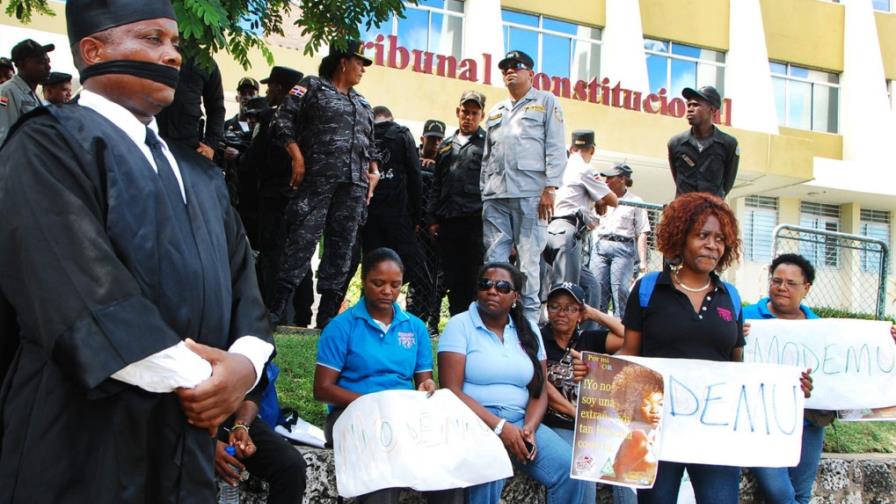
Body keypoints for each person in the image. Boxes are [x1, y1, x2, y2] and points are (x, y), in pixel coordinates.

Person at [0, 0, 275, 501]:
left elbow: (245, 291)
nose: (173, 55)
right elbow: (76, 293)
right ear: (93, 50)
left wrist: (245, 366)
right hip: (84, 440)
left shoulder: (201, 176)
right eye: (152, 39)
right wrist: (211, 382)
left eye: (175, 43)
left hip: (187, 444)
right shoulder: (48, 146)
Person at [616, 193, 811, 503]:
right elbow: (630, 353)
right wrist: (596, 371)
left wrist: (788, 387)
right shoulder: (648, 289)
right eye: (702, 235)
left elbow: (738, 367)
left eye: (720, 239)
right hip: (658, 430)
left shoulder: (730, 297)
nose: (712, 245)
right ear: (681, 237)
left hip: (717, 432)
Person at [742, 253, 896, 504]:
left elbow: (851, 363)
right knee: (779, 492)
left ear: (807, 288)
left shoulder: (821, 328)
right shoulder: (747, 317)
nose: (782, 287)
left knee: (801, 494)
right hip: (760, 423)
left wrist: (887, 342)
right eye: (776, 281)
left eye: (791, 283)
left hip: (808, 423)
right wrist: (735, 337)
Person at [314, 248, 463, 504]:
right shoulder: (341, 327)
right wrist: (372, 403)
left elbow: (423, 381)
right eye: (378, 283)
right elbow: (322, 389)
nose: (387, 291)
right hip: (351, 414)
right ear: (364, 281)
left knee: (448, 471)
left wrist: (427, 386)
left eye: (395, 285)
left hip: (404, 417)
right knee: (383, 469)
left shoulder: (415, 327)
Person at [438, 262, 585, 504]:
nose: (492, 291)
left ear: (515, 296)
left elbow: (539, 389)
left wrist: (529, 428)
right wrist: (500, 427)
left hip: (519, 421)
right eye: (486, 284)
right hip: (474, 420)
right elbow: (450, 390)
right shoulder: (460, 325)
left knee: (570, 469)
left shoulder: (529, 330)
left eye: (502, 287)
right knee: (490, 466)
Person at [268, 40, 380, 329]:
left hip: (353, 187)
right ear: (343, 61)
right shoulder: (313, 87)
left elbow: (371, 146)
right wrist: (296, 157)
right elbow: (281, 121)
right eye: (359, 62)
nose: (363, 69)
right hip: (317, 181)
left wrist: (374, 172)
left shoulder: (363, 103)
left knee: (342, 249)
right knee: (301, 242)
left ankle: (327, 317)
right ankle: (276, 310)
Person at [481, 50, 566, 324]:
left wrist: (550, 188)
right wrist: (485, 191)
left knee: (528, 265)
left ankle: (528, 327)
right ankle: (494, 321)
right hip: (496, 196)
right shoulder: (496, 111)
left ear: (531, 73)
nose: (509, 70)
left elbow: (556, 147)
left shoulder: (546, 102)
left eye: (515, 66)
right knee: (494, 262)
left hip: (531, 195)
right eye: (504, 67)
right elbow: (487, 156)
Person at [540, 282, 624, 504]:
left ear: (580, 314)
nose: (562, 313)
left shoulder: (589, 339)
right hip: (558, 423)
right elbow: (541, 385)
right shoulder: (538, 339)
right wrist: (576, 414)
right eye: (555, 306)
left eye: (570, 308)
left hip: (594, 423)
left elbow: (626, 336)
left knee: (625, 469)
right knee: (584, 466)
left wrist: (594, 314)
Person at [247, 66, 308, 318]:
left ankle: (276, 314)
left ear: (280, 88)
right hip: (302, 202)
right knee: (300, 258)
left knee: (273, 259)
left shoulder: (271, 119)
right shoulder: (311, 122)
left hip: (274, 200)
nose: (267, 91)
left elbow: (253, 161)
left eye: (270, 86)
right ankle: (301, 316)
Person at [427, 91, 487, 316]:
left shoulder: (488, 145)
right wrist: (432, 218)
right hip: (448, 222)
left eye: (474, 113)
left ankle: (473, 322)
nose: (468, 117)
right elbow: (437, 184)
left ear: (481, 116)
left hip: (475, 222)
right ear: (457, 112)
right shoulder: (445, 146)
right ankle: (456, 321)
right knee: (450, 278)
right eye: (465, 112)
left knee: (473, 277)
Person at [364, 106, 427, 317]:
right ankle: (400, 311)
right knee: (410, 264)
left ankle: (370, 310)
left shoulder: (364, 132)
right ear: (390, 118)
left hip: (369, 215)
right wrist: (416, 217)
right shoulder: (402, 135)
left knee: (372, 264)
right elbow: (415, 177)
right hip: (397, 215)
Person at [544, 129, 617, 290]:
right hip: (567, 231)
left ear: (571, 148)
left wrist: (597, 198)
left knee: (591, 286)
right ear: (592, 150)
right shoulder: (585, 168)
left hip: (549, 230)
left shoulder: (560, 166)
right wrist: (600, 199)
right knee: (565, 289)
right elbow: (613, 200)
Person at [215, 389, 307, 504]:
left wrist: (241, 426)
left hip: (232, 416)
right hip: (193, 428)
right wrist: (207, 446)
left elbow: (251, 394)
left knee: (291, 465)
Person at [592, 163, 650, 319]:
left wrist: (643, 262)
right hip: (601, 246)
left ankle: (620, 327)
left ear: (622, 179)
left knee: (620, 292)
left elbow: (642, 232)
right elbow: (593, 223)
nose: (606, 181)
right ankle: (598, 327)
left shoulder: (636, 201)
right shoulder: (602, 198)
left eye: (610, 178)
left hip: (623, 248)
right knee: (598, 289)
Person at [667, 86, 739, 198]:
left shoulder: (729, 144)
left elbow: (727, 184)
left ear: (712, 110)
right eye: (689, 105)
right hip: (684, 207)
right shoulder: (675, 143)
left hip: (712, 207)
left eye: (696, 105)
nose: (690, 109)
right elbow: (677, 179)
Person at [415, 118, 448, 333]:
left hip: (437, 232)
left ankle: (432, 323)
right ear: (423, 139)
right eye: (432, 139)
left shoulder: (446, 161)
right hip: (416, 231)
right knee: (418, 278)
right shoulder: (413, 158)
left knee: (437, 281)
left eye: (439, 140)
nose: (435, 144)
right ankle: (416, 319)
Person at [156, 56, 225, 160]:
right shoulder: (156, 55)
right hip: (153, 138)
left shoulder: (205, 62)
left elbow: (216, 108)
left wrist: (211, 145)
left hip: (187, 144)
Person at [608, 365, 664, 487]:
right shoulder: (637, 437)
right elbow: (621, 480)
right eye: (646, 404)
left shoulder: (652, 437)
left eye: (660, 404)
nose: (655, 410)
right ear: (632, 406)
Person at [0, 38, 53, 144]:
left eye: (48, 61)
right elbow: (5, 135)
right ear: (21, 64)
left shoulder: (31, 94)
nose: (48, 67)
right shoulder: (7, 92)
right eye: (41, 62)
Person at [219, 76, 260, 209]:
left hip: (256, 189)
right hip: (232, 188)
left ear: (258, 96)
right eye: (243, 93)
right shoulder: (225, 126)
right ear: (237, 98)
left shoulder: (262, 126)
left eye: (251, 93)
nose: (246, 97)